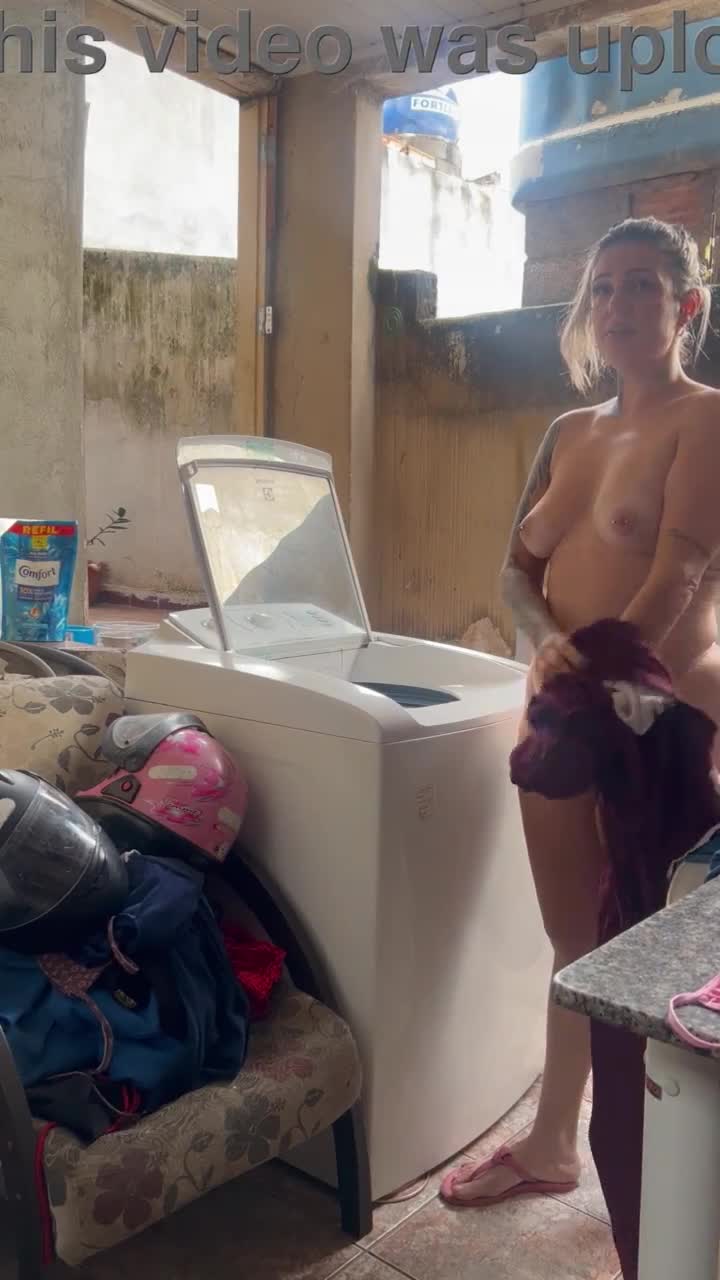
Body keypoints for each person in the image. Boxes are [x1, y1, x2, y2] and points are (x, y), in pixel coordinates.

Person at [440, 215, 720, 1207]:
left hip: (661, 714)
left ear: (686, 306)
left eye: (642, 284)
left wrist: (596, 679)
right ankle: (554, 1141)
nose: (618, 304)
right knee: (577, 942)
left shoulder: (706, 420)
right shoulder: (568, 432)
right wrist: (545, 649)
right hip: (564, 717)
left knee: (650, 954)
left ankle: (667, 1187)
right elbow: (515, 570)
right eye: (603, 287)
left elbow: (678, 574)